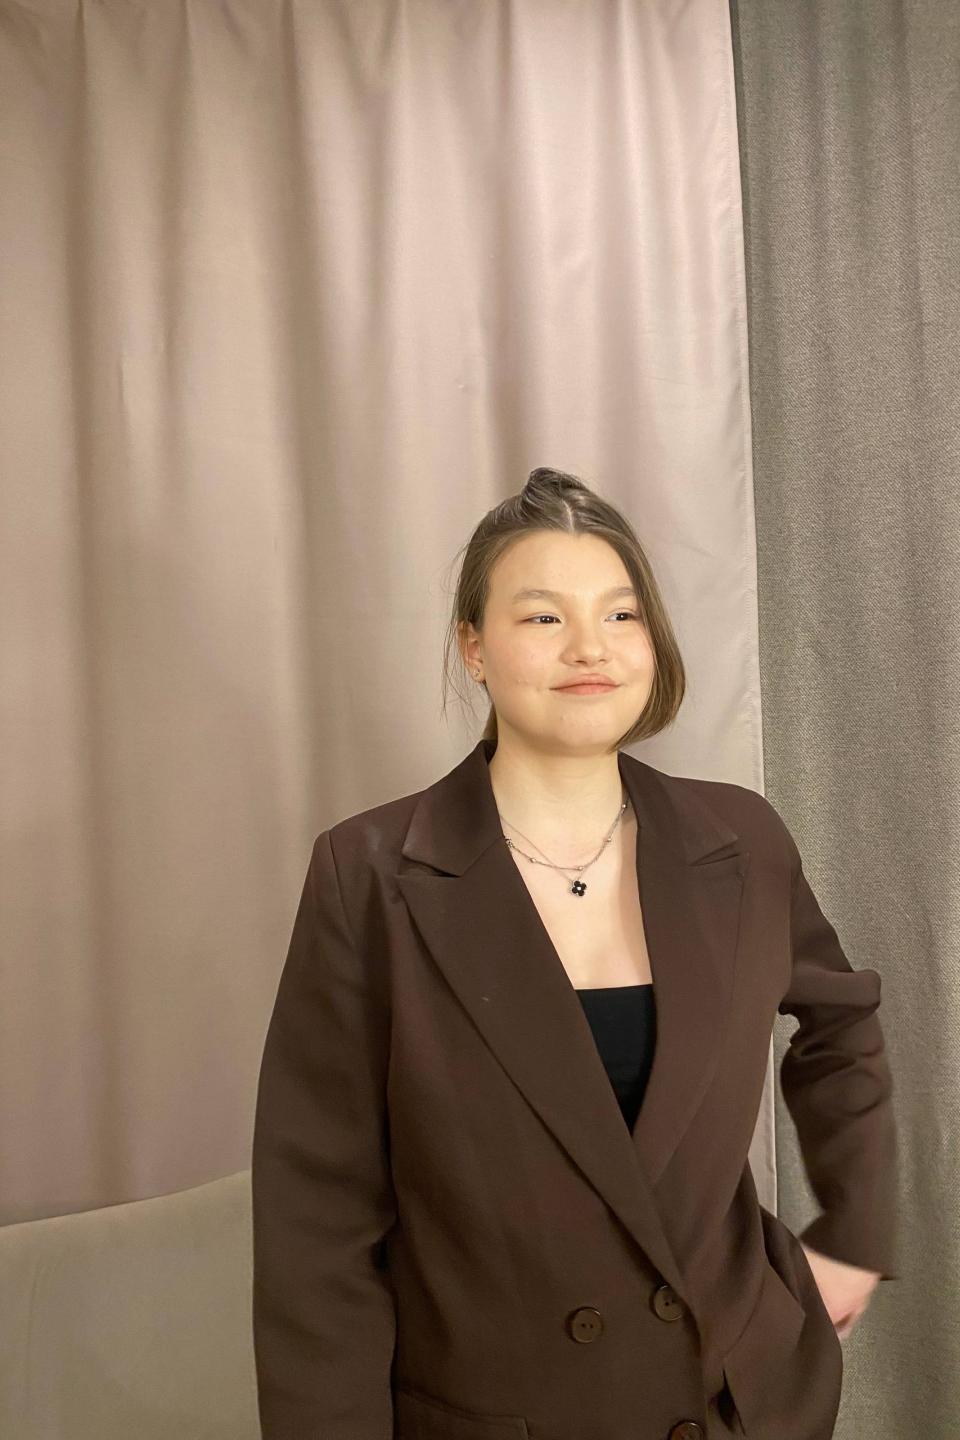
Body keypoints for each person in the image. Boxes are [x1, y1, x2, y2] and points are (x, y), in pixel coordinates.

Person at [251, 467, 898, 1440]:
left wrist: (855, 1233)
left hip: (733, 1402)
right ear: (473, 646)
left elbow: (842, 1027)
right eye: (544, 617)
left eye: (621, 614)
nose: (590, 646)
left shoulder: (742, 841)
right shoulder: (369, 873)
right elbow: (318, 1218)